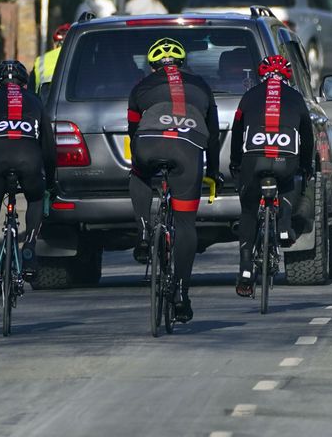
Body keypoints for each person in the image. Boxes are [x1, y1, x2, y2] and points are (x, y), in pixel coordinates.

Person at [127, 37, 221, 323]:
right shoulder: (202, 85)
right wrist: (212, 171)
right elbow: (213, 135)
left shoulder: (141, 86)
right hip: (188, 150)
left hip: (149, 143)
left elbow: (132, 130)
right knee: (184, 223)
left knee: (139, 174)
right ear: (183, 63)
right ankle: (181, 293)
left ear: (153, 66)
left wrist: (146, 157)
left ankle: (144, 233)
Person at [0, 60, 57, 310]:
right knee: (36, 198)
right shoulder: (36, 101)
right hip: (29, 160)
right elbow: (49, 148)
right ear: (25, 83)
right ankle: (28, 246)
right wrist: (49, 181)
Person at [228, 55, 314, 298]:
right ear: (287, 76)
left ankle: (246, 271)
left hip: (253, 160)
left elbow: (237, 133)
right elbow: (307, 137)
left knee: (248, 211)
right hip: (285, 160)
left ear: (261, 75)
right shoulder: (296, 98)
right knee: (289, 182)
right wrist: (306, 166)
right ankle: (285, 226)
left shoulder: (249, 96)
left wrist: (235, 163)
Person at [30, 23, 70, 94]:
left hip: (43, 102)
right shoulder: (78, 56)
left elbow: (31, 88)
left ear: (54, 44)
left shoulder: (40, 60)